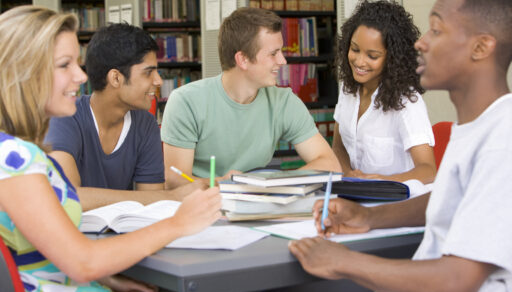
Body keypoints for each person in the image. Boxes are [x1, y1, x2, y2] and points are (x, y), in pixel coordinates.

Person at [289, 0, 512, 292]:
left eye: (435, 30)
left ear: (481, 48)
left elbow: (457, 282)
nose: (420, 42)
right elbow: (448, 201)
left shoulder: (502, 142)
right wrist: (368, 216)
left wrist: (345, 261)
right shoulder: (475, 127)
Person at [0, 6, 222, 292]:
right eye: (65, 65)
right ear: (24, 72)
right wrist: (178, 223)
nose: (81, 76)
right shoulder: (17, 159)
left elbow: (32, 246)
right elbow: (83, 262)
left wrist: (105, 277)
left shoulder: (19, 152)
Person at [160, 7, 341, 189]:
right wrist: (219, 183)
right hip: (203, 205)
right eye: (273, 53)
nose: (283, 61)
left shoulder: (283, 101)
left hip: (260, 204)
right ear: (243, 59)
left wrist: (268, 183)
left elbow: (329, 164)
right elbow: (175, 181)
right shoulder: (186, 102)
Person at [44, 23, 203, 211]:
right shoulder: (65, 117)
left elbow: (154, 203)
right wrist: (170, 196)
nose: (158, 81)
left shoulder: (145, 123)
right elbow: (70, 196)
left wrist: (162, 198)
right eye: (148, 72)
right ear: (116, 78)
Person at [332, 0, 436, 184]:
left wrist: (383, 181)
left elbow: (428, 171)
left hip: (397, 204)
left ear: (392, 58)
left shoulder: (407, 102)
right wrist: (347, 173)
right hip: (356, 197)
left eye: (372, 56)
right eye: (355, 49)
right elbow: (338, 147)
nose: (359, 62)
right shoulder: (348, 89)